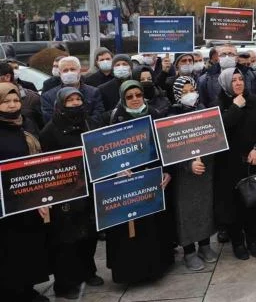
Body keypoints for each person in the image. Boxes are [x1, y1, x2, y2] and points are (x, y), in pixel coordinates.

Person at [104, 80, 174, 284]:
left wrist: (167, 171)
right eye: (129, 97)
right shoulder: (114, 119)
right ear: (122, 99)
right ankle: (131, 273)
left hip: (153, 178)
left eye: (138, 95)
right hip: (127, 181)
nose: (135, 99)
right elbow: (104, 151)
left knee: (155, 227)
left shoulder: (155, 114)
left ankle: (157, 267)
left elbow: (167, 145)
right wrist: (115, 169)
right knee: (129, 230)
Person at [39, 88, 103, 298]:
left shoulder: (89, 122)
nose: (75, 104)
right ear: (60, 104)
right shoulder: (50, 130)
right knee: (67, 238)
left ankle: (88, 270)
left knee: (89, 233)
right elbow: (47, 164)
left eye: (78, 99)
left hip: (90, 185)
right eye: (70, 100)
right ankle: (66, 283)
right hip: (65, 190)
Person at [215, 68, 256, 260]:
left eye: (241, 79)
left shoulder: (255, 101)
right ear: (225, 83)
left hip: (252, 161)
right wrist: (235, 108)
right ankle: (238, 243)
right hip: (228, 165)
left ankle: (253, 240)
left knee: (253, 205)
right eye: (233, 80)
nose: (239, 83)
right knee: (233, 208)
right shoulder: (219, 104)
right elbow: (219, 129)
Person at [0, 83, 50, 302]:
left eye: (15, 101)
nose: (12, 106)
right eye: (6, 101)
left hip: (30, 196)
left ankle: (27, 287)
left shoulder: (26, 123)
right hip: (6, 203)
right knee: (10, 248)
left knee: (31, 246)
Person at [166, 75, 219, 270]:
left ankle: (204, 245)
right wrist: (188, 165)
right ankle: (189, 251)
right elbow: (171, 148)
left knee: (204, 208)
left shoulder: (204, 111)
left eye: (191, 90)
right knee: (186, 211)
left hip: (205, 169)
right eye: (184, 92)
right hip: (184, 175)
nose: (189, 95)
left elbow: (214, 138)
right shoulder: (171, 116)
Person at [41, 56, 104, 125]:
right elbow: (50, 121)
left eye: (72, 69)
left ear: (79, 72)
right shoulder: (48, 97)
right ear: (60, 74)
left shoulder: (93, 92)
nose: (69, 72)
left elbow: (98, 117)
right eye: (65, 70)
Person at [0, 61, 43, 132]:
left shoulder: (31, 98)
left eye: (16, 100)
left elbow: (41, 127)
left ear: (7, 77)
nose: (12, 105)